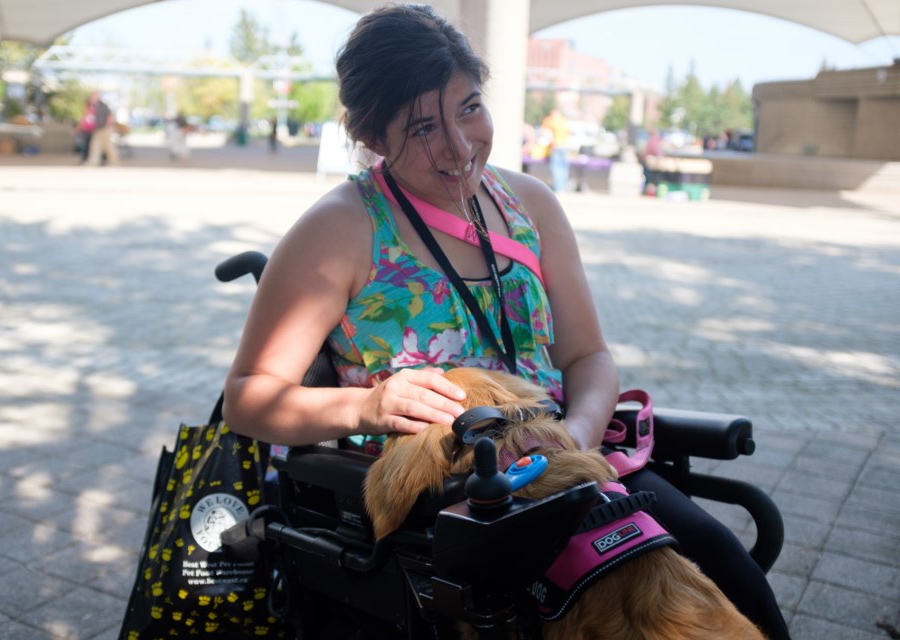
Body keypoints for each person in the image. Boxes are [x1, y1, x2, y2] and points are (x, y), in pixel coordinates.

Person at [222, 5, 789, 639]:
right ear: (374, 137)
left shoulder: (531, 205)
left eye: (469, 109)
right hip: (444, 493)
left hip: (570, 465)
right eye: (423, 127)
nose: (460, 148)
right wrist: (365, 409)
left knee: (728, 574)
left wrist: (576, 436)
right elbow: (247, 398)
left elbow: (588, 358)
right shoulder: (339, 229)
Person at [540, 107, 571, 192]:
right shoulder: (563, 120)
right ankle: (562, 187)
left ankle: (557, 187)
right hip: (564, 146)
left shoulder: (550, 120)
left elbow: (543, 132)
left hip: (555, 146)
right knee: (563, 168)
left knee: (556, 167)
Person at [85, 92, 118, 166]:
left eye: (93, 96)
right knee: (95, 145)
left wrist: (107, 125)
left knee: (108, 145)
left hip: (105, 129)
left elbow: (110, 115)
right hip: (98, 129)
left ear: (97, 97)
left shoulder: (103, 106)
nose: (92, 98)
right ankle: (93, 161)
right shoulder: (93, 106)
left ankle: (113, 161)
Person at [75, 98, 96, 164]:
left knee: (86, 145)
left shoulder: (89, 111)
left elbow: (84, 121)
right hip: (89, 130)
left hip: (88, 130)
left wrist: (77, 129)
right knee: (88, 145)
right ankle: (86, 158)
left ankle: (85, 158)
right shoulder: (92, 111)